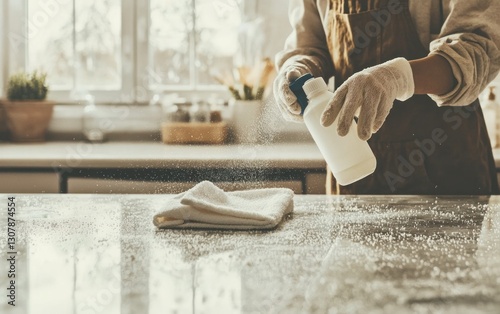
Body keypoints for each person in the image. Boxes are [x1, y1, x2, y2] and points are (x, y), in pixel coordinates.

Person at [273, 0, 500, 195]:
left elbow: (476, 50)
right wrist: (299, 67)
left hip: (445, 169)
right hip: (351, 171)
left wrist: (396, 78)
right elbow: (309, 45)